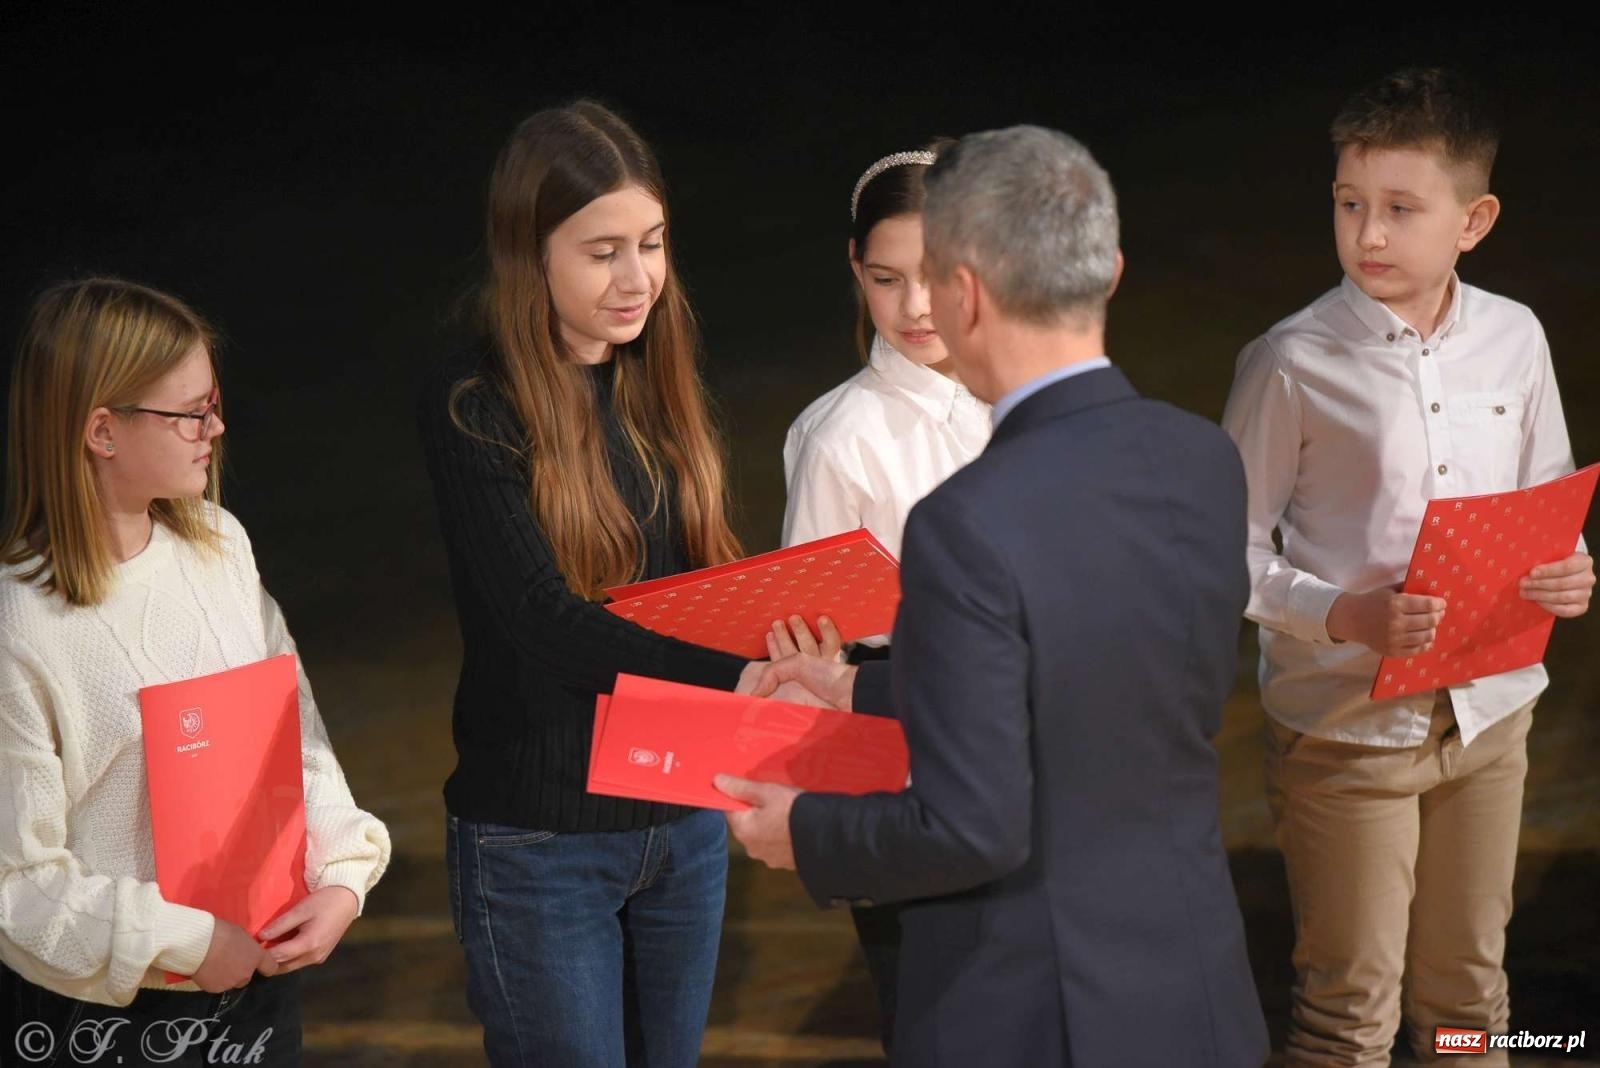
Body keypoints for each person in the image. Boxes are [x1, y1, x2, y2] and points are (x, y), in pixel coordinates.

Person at [720, 126, 1269, 1068]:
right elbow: (1081, 691)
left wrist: (803, 833)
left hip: (1041, 1006)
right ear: (1112, 270)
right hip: (1193, 987)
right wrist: (856, 689)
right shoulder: (1202, 459)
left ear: (965, 292)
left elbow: (972, 826)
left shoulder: (967, 521)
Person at [417, 100, 832, 1067]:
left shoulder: (655, 367)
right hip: (542, 843)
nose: (637, 278)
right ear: (531, 253)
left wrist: (790, 632)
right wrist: (733, 679)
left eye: (651, 243)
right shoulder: (473, 400)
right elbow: (540, 617)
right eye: (602, 251)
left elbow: (694, 579)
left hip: (679, 817)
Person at [1219, 68, 1591, 1066]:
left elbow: (1548, 499)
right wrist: (1347, 614)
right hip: (1346, 734)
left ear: (1473, 221)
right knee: (1350, 1015)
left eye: (1398, 210)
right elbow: (1225, 556)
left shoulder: (1515, 337)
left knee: (1471, 998)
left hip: (1490, 712)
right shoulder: (1290, 360)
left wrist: (1570, 568)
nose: (1367, 236)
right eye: (1349, 205)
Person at [0, 278, 390, 1066]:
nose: (214, 428)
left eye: (212, 403)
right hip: (101, 1025)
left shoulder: (219, 545)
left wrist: (343, 877)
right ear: (101, 431)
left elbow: (294, 733)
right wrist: (186, 939)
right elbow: (19, 885)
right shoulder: (20, 624)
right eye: (190, 412)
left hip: (257, 985)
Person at [778, 142, 989, 1051]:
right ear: (854, 273)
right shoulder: (842, 439)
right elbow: (809, 645)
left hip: (1030, 759)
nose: (915, 307)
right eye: (886, 278)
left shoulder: (1022, 393)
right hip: (905, 767)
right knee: (938, 1025)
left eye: (938, 274)